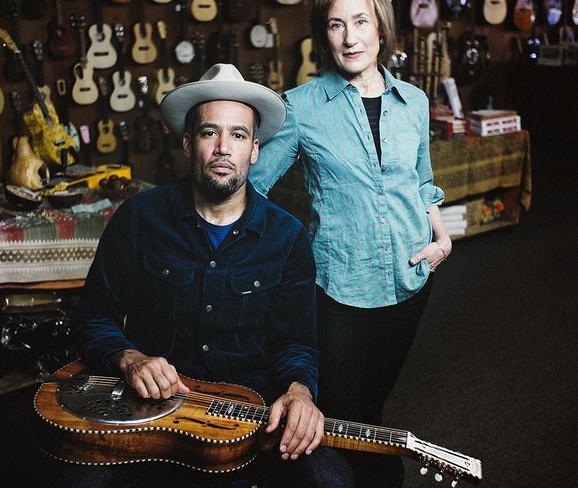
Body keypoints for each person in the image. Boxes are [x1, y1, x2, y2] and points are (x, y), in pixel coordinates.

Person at [63, 64, 354, 488]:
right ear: (187, 144)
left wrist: (299, 392)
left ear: (254, 150)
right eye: (209, 133)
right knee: (77, 483)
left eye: (237, 135)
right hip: (151, 409)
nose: (223, 148)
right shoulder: (140, 218)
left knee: (333, 482)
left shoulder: (287, 236)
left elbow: (296, 342)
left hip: (249, 416)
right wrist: (130, 359)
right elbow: (93, 316)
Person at [248, 0, 452, 486]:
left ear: (382, 28)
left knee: (374, 398)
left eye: (361, 22)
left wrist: (441, 237)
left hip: (411, 277)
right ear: (326, 34)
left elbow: (422, 182)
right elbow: (253, 186)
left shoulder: (415, 102)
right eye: (337, 25)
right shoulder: (301, 105)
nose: (350, 37)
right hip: (339, 286)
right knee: (338, 410)